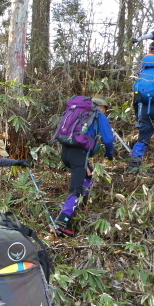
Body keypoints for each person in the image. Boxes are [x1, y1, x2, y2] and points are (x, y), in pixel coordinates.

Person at [55, 98, 116, 237]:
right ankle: (62, 222)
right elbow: (108, 139)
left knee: (88, 175)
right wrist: (109, 153)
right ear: (100, 107)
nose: (105, 111)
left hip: (66, 152)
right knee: (76, 188)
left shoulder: (74, 111)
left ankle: (83, 204)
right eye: (105, 109)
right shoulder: (98, 114)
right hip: (79, 155)